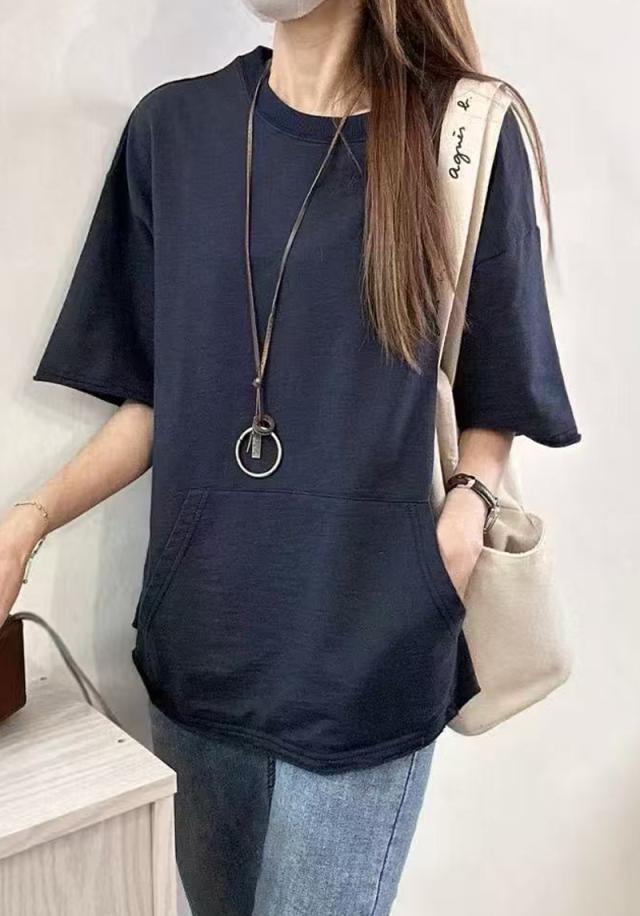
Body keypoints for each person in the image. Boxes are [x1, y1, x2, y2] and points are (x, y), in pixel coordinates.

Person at [0, 1, 582, 914]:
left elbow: (499, 387)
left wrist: (462, 518)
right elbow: (155, 404)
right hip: (203, 650)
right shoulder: (172, 130)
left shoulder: (461, 132)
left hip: (372, 653)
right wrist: (25, 523)